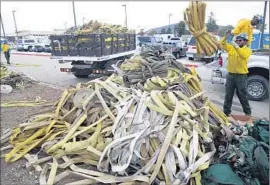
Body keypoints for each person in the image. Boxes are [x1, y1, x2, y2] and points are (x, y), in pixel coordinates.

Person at [220, 32, 252, 116]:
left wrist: (236, 46)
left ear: (245, 41)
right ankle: (226, 113)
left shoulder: (247, 50)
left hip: (241, 77)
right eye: (237, 40)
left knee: (242, 96)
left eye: (240, 40)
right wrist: (225, 37)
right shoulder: (231, 48)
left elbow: (243, 55)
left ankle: (247, 112)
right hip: (230, 76)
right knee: (228, 95)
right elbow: (221, 44)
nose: (238, 42)